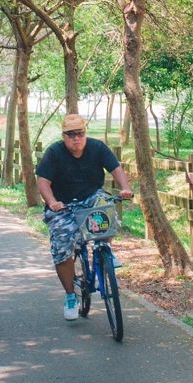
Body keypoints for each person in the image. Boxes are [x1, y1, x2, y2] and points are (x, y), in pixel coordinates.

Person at [35, 114, 133, 321]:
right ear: (64, 136)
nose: (76, 138)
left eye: (80, 133)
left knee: (106, 206)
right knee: (62, 245)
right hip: (63, 204)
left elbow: (116, 169)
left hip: (90, 198)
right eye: (71, 135)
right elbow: (43, 182)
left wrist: (125, 188)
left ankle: (105, 251)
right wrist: (52, 202)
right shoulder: (54, 153)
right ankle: (71, 296)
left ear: (85, 133)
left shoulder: (97, 148)